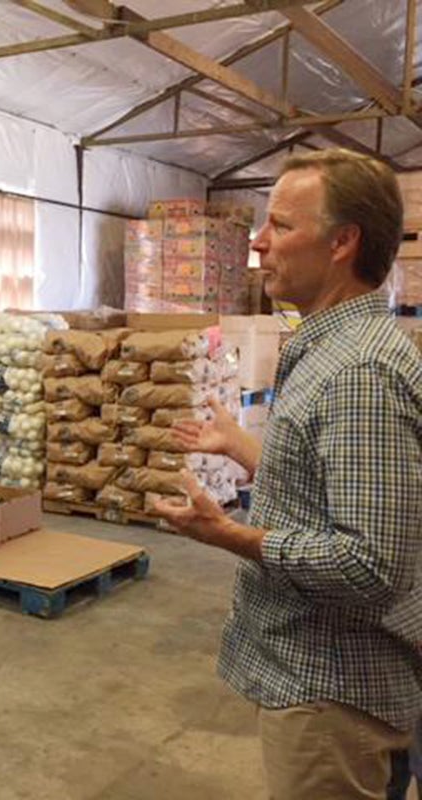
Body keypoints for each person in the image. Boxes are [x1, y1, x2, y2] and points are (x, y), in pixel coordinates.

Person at [154, 149, 422, 800]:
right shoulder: (334, 347)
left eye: (280, 225)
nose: (258, 242)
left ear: (343, 242)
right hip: (318, 681)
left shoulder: (359, 373)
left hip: (333, 695)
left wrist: (230, 536)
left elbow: (369, 563)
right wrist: (248, 449)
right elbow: (325, 489)